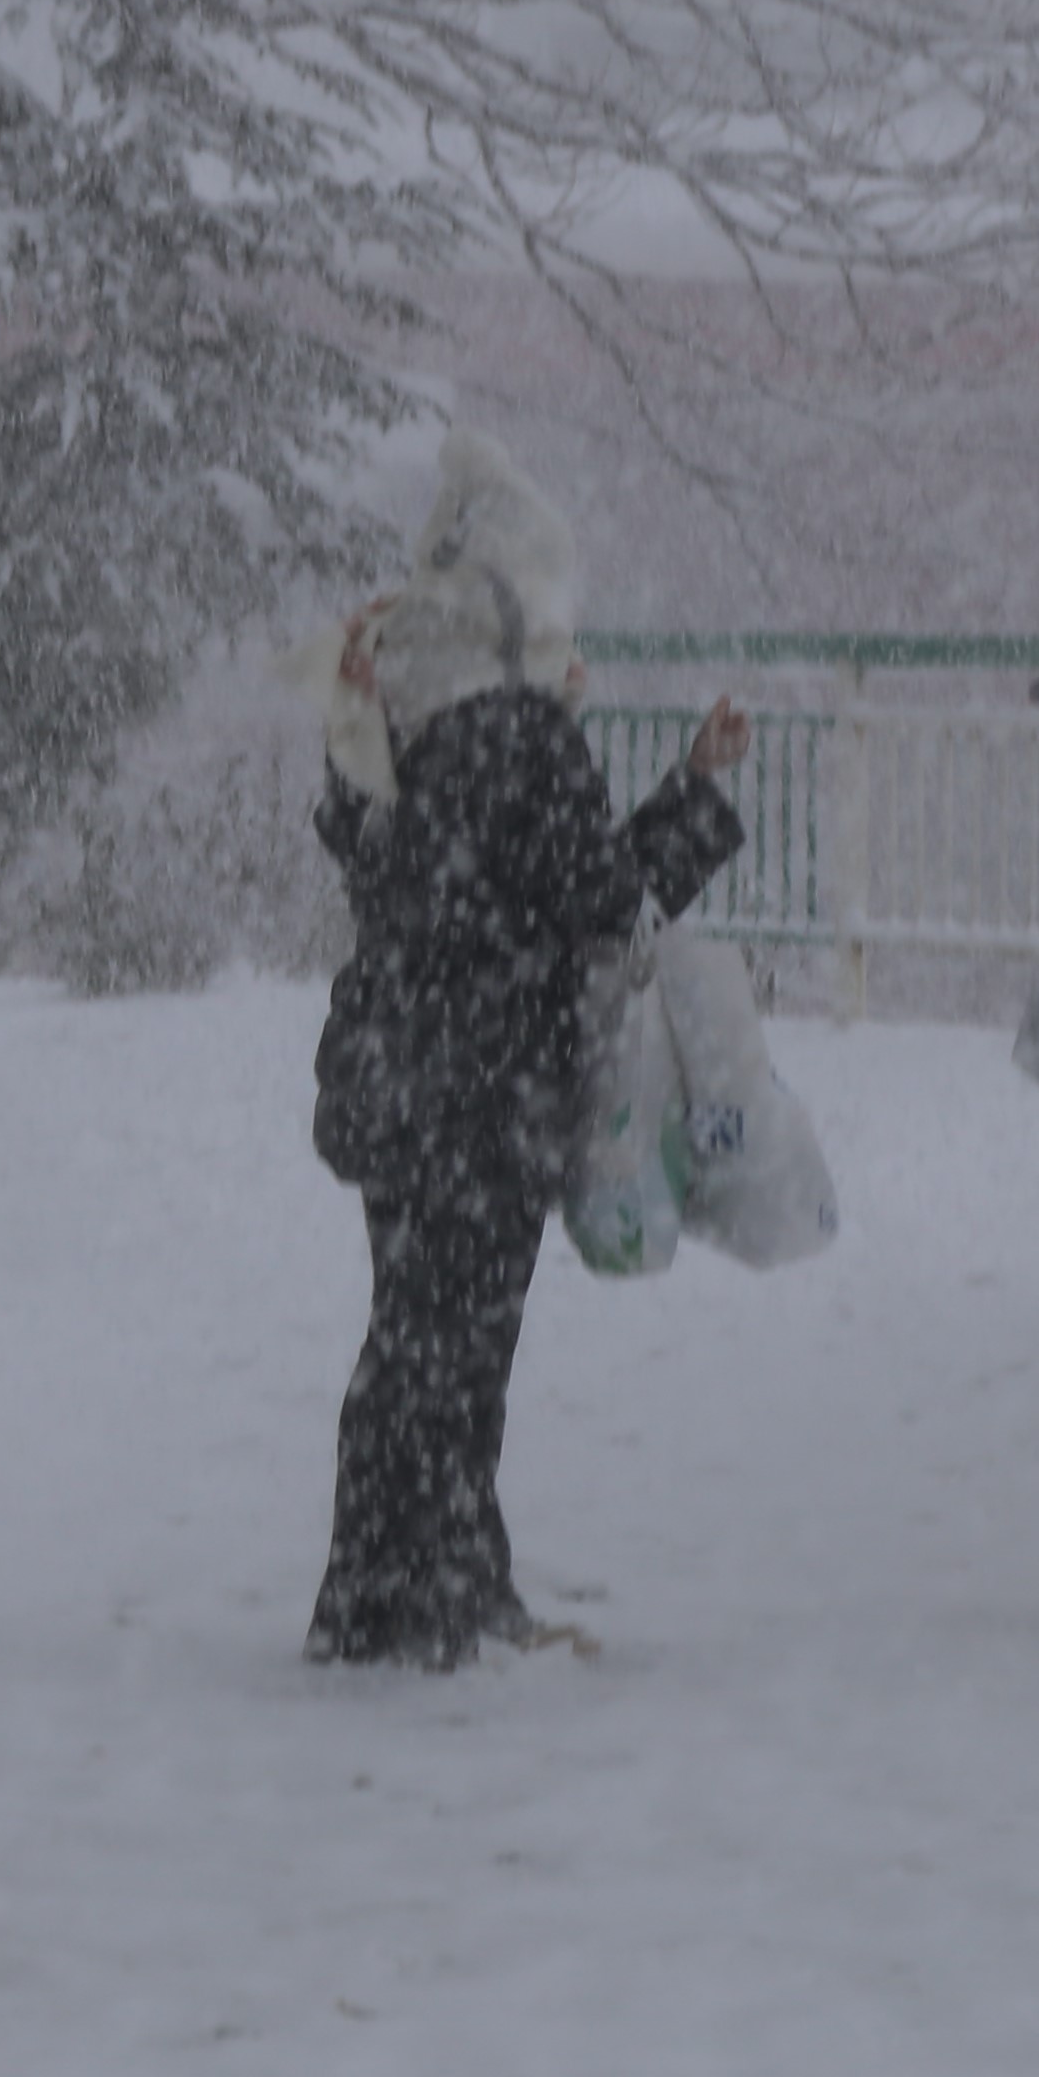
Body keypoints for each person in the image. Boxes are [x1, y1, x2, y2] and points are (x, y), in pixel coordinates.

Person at [301, 434, 745, 1667]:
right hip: (488, 1083)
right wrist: (695, 796)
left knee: (405, 1339)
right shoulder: (519, 733)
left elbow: (374, 847)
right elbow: (601, 899)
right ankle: (446, 1604)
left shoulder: (394, 703)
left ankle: (375, 1598)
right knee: (459, 1352)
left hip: (393, 1072)